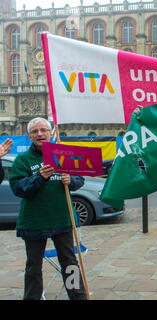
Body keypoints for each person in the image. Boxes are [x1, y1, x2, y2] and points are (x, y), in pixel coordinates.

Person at [9, 117, 87, 300]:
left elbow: (80, 179)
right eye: (35, 131)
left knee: (70, 264)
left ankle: (78, 296)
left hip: (62, 218)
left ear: (51, 133)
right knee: (34, 267)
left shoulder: (63, 153)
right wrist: (39, 177)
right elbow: (18, 189)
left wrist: (72, 181)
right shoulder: (23, 160)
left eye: (44, 130)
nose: (40, 134)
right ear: (29, 136)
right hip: (34, 221)